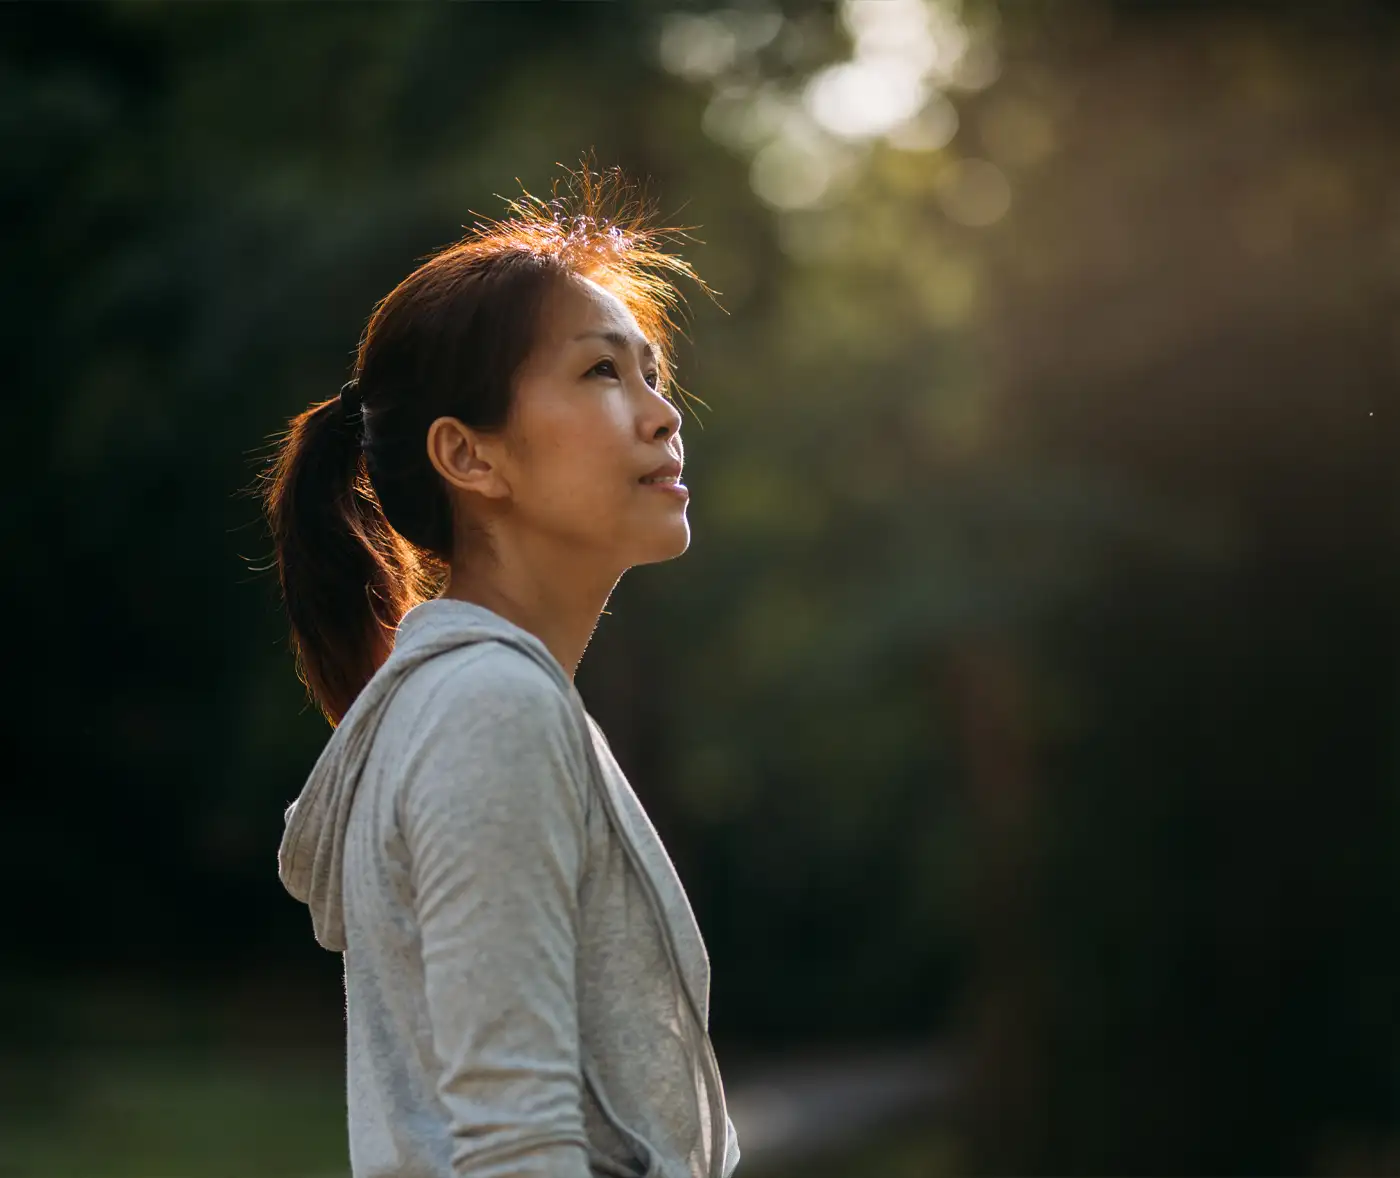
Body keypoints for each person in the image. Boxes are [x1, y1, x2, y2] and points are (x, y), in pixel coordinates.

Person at [261, 165, 740, 1178]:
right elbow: (515, 1143)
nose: (661, 413)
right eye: (602, 373)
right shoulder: (488, 707)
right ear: (470, 458)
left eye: (652, 372)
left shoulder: (481, 700)